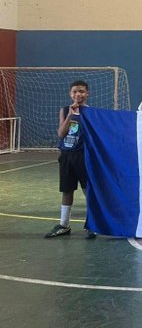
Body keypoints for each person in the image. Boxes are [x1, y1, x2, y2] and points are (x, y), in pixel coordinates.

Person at [45, 80, 95, 239]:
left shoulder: (92, 112)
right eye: (75, 91)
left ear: (87, 93)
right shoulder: (65, 110)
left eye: (81, 91)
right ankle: (64, 224)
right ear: (70, 93)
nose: (78, 94)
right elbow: (61, 133)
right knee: (67, 190)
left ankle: (92, 225)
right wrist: (70, 115)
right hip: (66, 155)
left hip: (83, 156)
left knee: (88, 191)